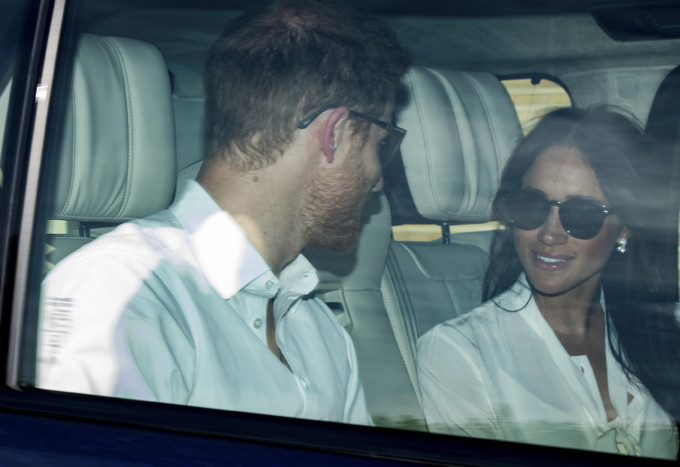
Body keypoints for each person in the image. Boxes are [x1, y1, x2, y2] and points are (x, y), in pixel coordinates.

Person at [37, 0, 409, 424]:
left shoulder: (317, 326)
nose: (379, 182)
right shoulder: (117, 295)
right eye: (381, 144)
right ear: (334, 135)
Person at [417, 107, 679, 458]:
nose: (549, 234)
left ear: (625, 228)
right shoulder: (460, 351)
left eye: (581, 214)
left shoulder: (664, 329)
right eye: (532, 205)